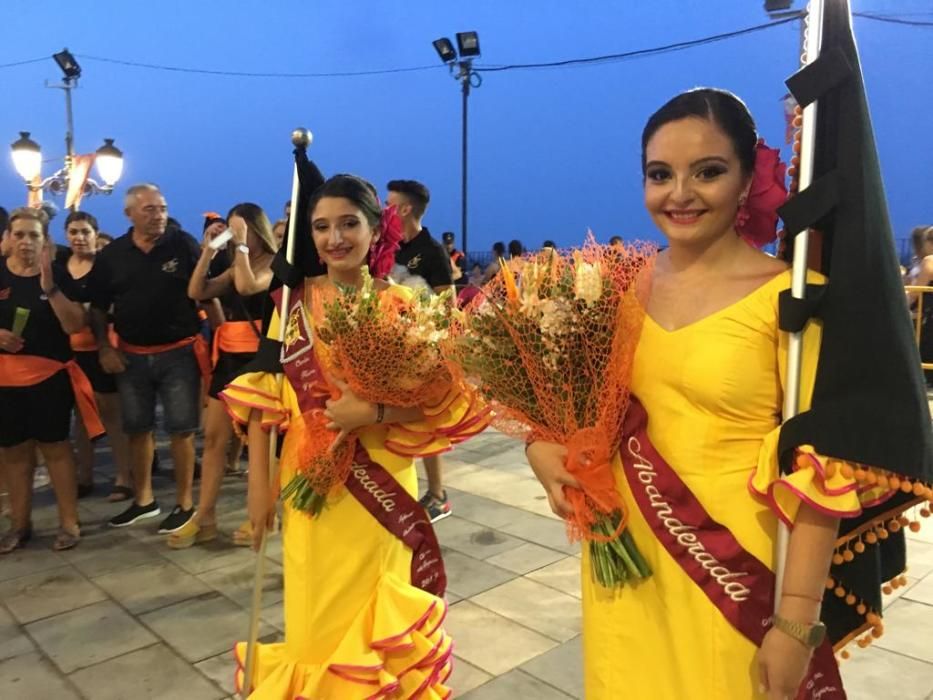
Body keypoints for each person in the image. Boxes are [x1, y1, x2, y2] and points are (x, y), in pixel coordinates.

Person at [524, 88, 876, 699]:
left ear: (747, 180)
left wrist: (795, 622)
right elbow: (572, 409)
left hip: (732, 576)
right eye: (660, 175)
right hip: (624, 563)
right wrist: (541, 452)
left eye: (707, 172)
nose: (679, 194)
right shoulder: (611, 291)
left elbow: (822, 476)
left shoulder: (795, 298)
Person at [222, 174, 484, 697]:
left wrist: (375, 410)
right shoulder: (292, 304)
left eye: (348, 224)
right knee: (315, 621)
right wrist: (259, 491)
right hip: (310, 486)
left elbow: (437, 402)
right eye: (321, 227)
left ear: (375, 229)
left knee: (375, 615)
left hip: (381, 487)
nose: (334, 238)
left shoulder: (405, 307)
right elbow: (264, 402)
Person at [86, 183, 207, 533]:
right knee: (137, 429)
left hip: (179, 353)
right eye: (150, 209)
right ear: (129, 214)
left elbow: (205, 289)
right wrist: (104, 348)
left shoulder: (181, 244)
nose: (159, 215)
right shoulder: (113, 255)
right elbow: (96, 307)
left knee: (182, 430)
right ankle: (144, 500)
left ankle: (184, 503)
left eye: (162, 208)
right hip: (130, 356)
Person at [168, 203, 277, 548]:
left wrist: (241, 245)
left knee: (259, 447)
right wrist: (208, 251)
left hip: (260, 359)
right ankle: (204, 516)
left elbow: (248, 287)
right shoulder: (233, 265)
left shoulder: (276, 265)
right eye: (232, 229)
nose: (236, 235)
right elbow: (196, 292)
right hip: (229, 357)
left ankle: (260, 516)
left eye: (242, 228)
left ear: (257, 228)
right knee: (214, 439)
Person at [0, 207, 98, 553]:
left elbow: (74, 325)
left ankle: (69, 522)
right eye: (20, 234)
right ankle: (19, 524)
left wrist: (51, 289)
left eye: (34, 235)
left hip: (49, 378)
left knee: (56, 449)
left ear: (46, 242)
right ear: (8, 239)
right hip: (5, 381)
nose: (26, 241)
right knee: (14, 453)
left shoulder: (57, 275)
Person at [387, 179, 456, 522]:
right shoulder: (391, 248)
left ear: (405, 208)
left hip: (424, 349)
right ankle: (407, 487)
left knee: (427, 421)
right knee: (401, 422)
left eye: (389, 203)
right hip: (395, 348)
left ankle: (438, 494)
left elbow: (448, 302)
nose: (385, 209)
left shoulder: (430, 250)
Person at [59, 211, 133, 502]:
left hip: (103, 348)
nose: (79, 237)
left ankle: (124, 477)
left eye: (85, 231)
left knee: (113, 415)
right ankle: (84, 475)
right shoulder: (60, 267)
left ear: (95, 233)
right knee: (80, 418)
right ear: (66, 234)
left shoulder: (105, 266)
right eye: (74, 231)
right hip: (70, 353)